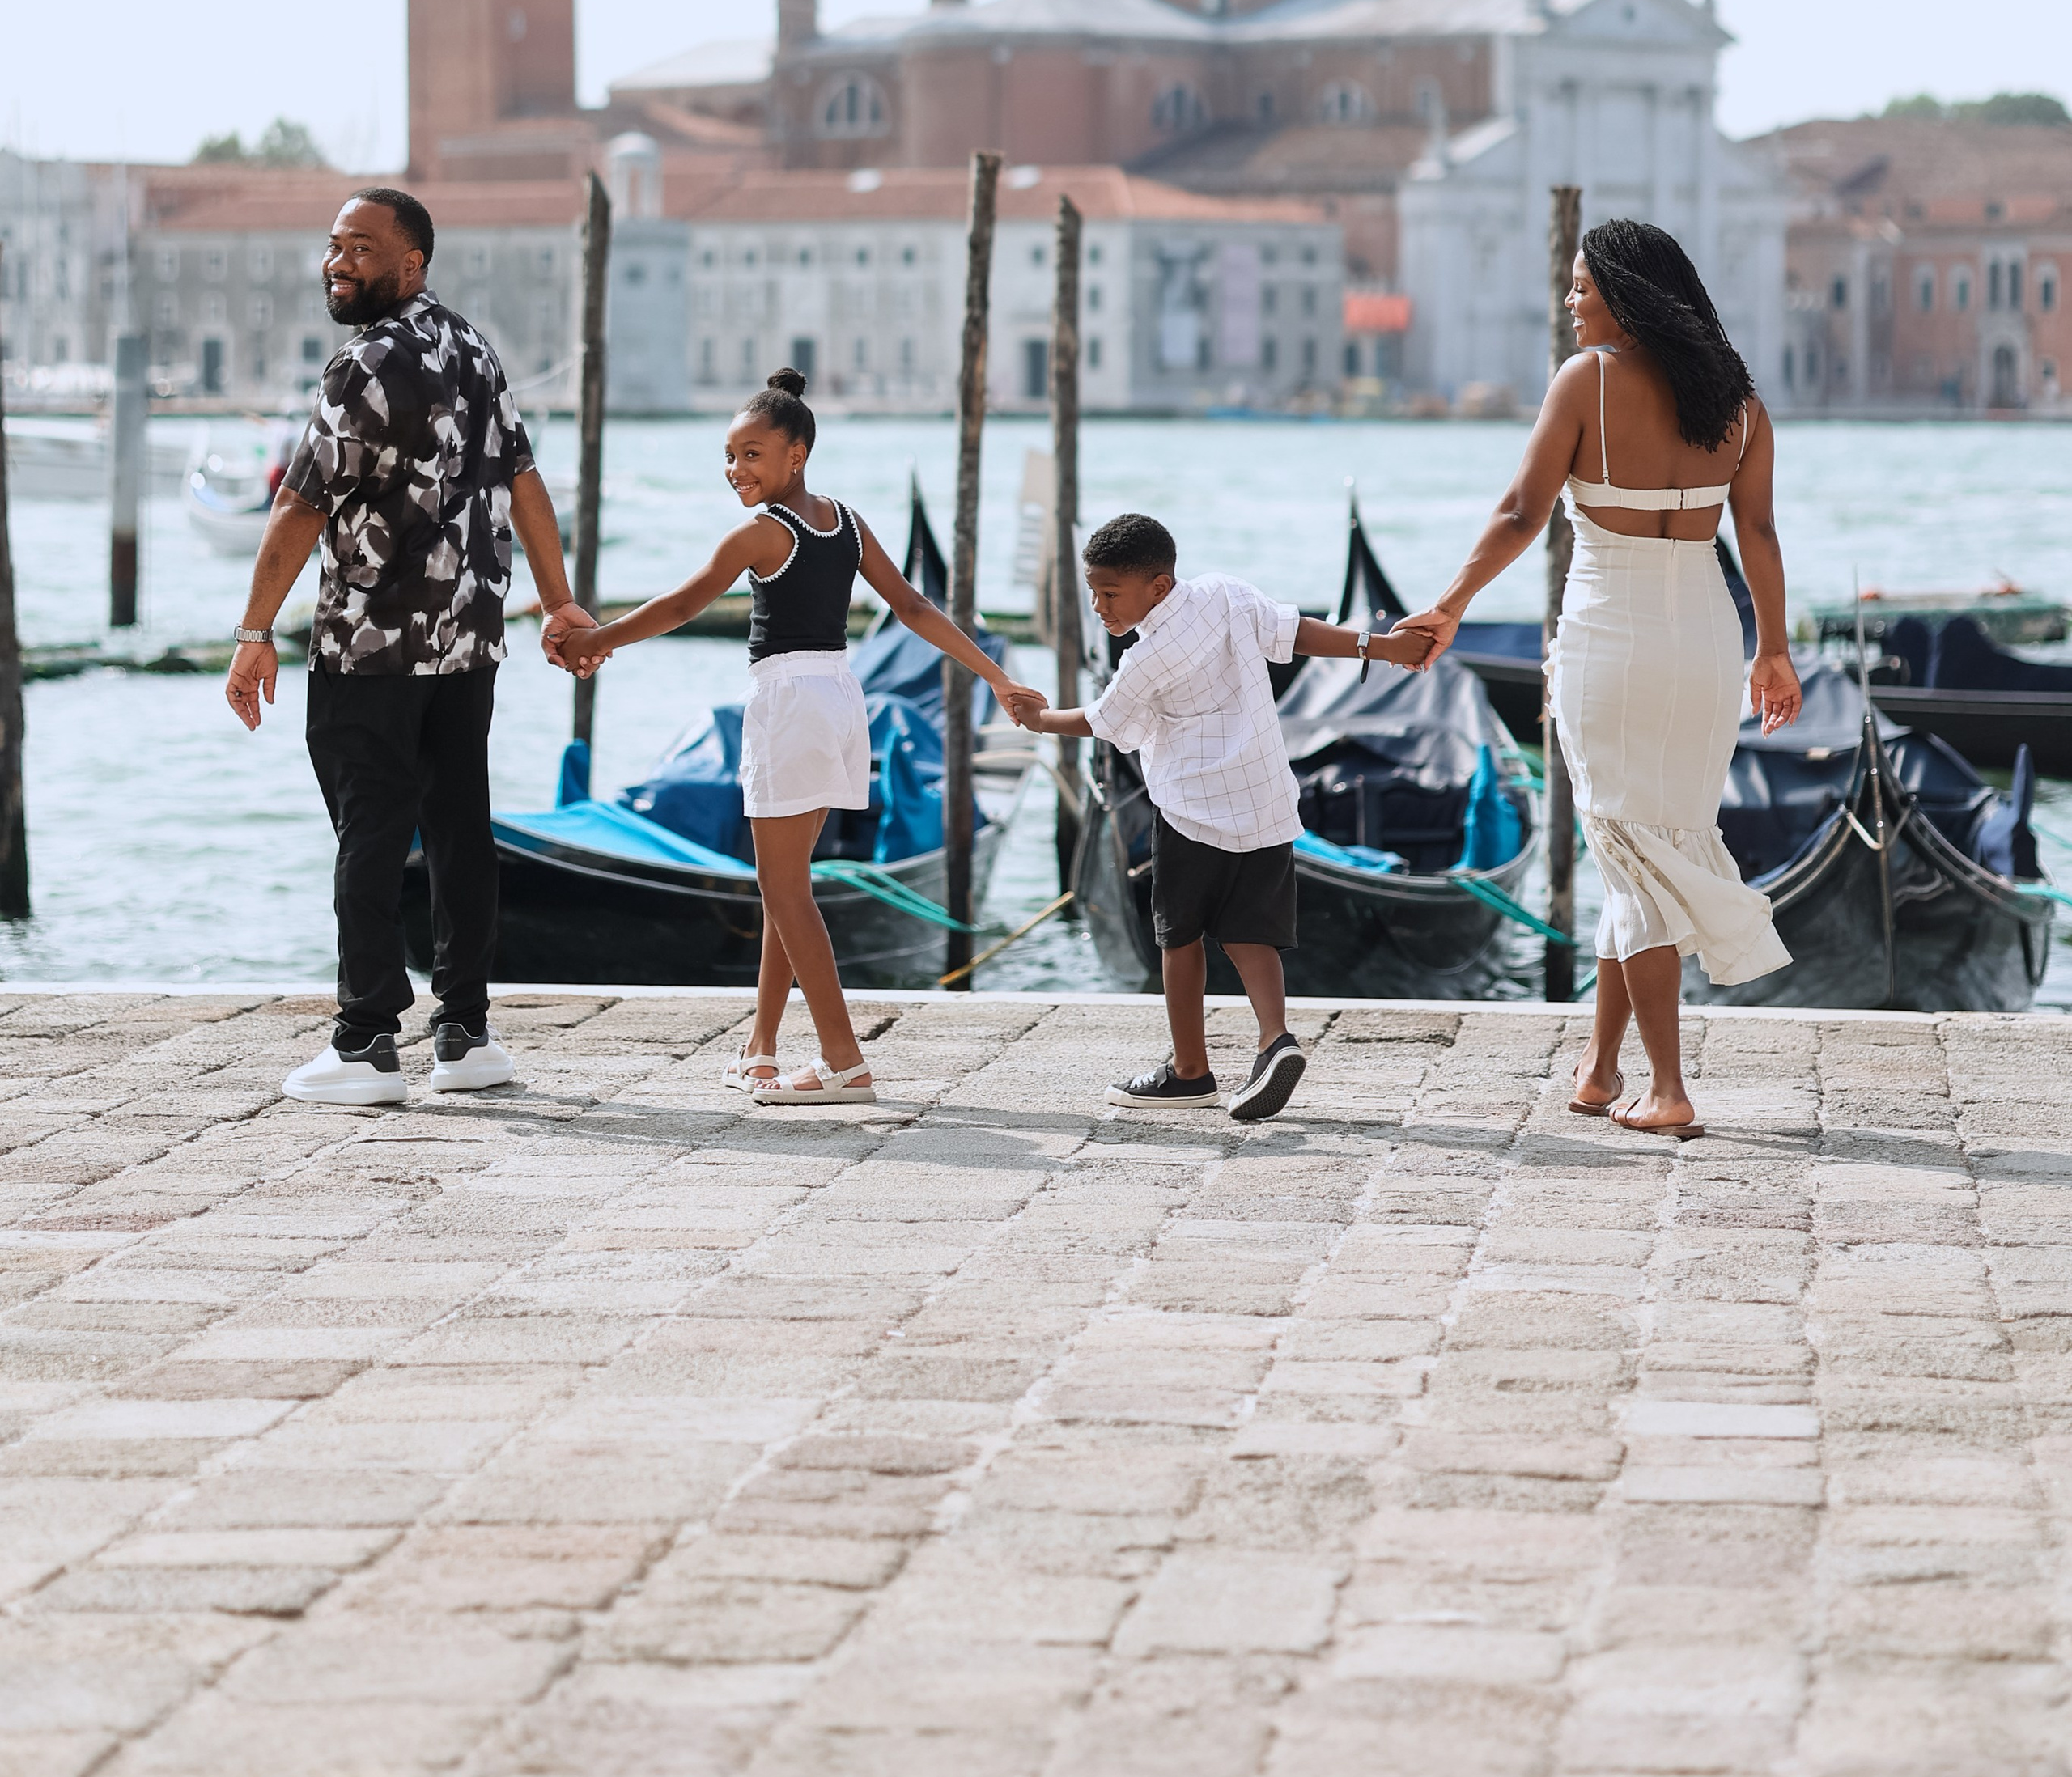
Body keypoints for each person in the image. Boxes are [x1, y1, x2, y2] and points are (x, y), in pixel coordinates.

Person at [1403, 218, 1801, 1139]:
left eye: (1583, 287)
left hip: (1611, 637)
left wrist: (1450, 603)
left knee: (1632, 856)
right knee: (1649, 847)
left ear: (1628, 294)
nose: (1570, 301)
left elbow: (1519, 510)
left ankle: (1666, 1088)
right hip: (1706, 636)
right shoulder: (1736, 399)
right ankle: (1598, 1069)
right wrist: (1771, 648)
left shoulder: (1586, 381)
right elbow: (1762, 533)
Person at [554, 369, 1046, 1107]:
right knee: (790, 889)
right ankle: (761, 1050)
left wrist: (600, 637)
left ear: (797, 454)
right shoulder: (844, 522)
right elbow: (912, 605)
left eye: (753, 454)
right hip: (843, 700)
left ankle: (844, 1059)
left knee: (783, 888)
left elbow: (687, 600)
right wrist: (995, 675)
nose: (736, 470)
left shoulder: (764, 532)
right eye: (729, 456)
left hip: (789, 702)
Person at [224, 189, 588, 1107]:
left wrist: (255, 631)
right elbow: (526, 480)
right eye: (333, 246)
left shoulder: (365, 366)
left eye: (360, 248)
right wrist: (559, 602)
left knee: (370, 828)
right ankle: (464, 1034)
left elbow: (300, 505)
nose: (337, 261)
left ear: (411, 262)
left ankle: (365, 1042)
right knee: (461, 831)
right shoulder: (470, 347)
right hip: (467, 641)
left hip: (372, 649)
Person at [1007, 511, 1429, 1122]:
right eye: (1094, 593)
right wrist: (1380, 646)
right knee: (1251, 933)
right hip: (1264, 801)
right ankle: (1274, 1039)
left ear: (1156, 587)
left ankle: (1189, 1072)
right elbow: (1299, 634)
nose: (1099, 606)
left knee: (1179, 940)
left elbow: (1103, 721)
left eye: (1109, 593)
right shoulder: (1225, 595)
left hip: (1192, 813)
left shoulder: (1146, 658)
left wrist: (1039, 719)